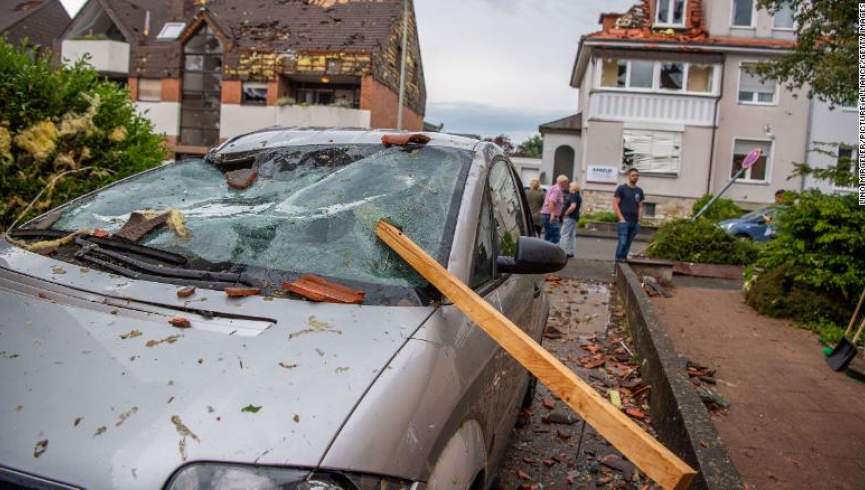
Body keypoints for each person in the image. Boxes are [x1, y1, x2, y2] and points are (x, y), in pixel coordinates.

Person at [613, 168, 644, 262]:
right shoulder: (622, 188)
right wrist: (621, 218)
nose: (635, 177)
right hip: (624, 222)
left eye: (637, 176)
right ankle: (618, 261)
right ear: (628, 176)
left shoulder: (639, 191)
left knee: (628, 243)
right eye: (633, 175)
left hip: (634, 222)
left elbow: (640, 206)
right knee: (622, 242)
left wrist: (639, 221)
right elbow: (615, 204)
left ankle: (623, 260)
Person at [541, 175, 568, 243]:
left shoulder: (552, 188)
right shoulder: (557, 190)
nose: (567, 184)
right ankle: (550, 252)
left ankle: (545, 252)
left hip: (546, 214)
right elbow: (551, 202)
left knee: (548, 236)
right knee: (555, 237)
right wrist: (552, 215)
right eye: (566, 182)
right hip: (551, 216)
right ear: (563, 182)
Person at [558, 182, 582, 258]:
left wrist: (566, 213)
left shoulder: (573, 195)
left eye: (570, 186)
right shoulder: (578, 195)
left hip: (570, 217)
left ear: (574, 188)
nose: (569, 188)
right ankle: (571, 252)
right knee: (572, 236)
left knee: (563, 235)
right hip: (575, 217)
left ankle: (561, 252)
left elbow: (573, 206)